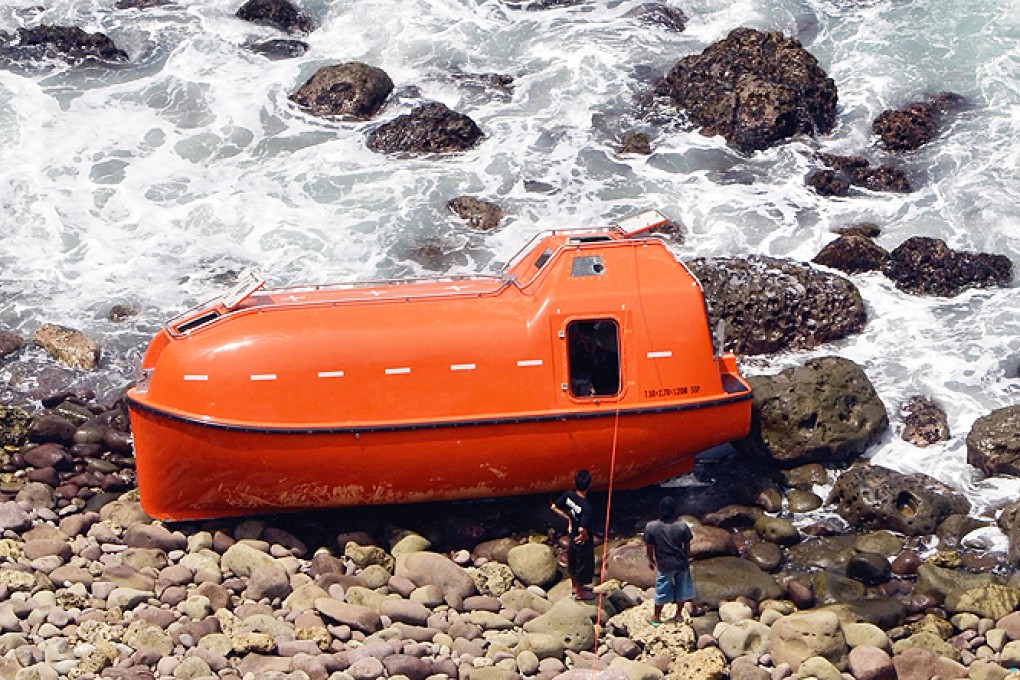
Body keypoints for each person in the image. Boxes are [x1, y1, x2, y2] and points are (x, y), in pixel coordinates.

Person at [643, 496, 695, 625]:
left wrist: (650, 560)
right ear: (674, 511)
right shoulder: (682, 526)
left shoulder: (651, 527)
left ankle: (656, 617)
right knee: (682, 589)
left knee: (661, 590)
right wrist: (686, 558)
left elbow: (649, 546)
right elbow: (687, 546)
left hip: (665, 565)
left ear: (660, 510)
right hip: (681, 563)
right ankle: (678, 615)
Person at [551, 469, 595, 600]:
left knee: (572, 563)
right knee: (582, 565)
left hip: (571, 534)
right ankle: (581, 593)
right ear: (589, 485)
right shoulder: (586, 507)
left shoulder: (568, 495)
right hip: (580, 539)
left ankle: (574, 587)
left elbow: (554, 507)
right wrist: (584, 535)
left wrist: (569, 518)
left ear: (574, 482)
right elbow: (582, 529)